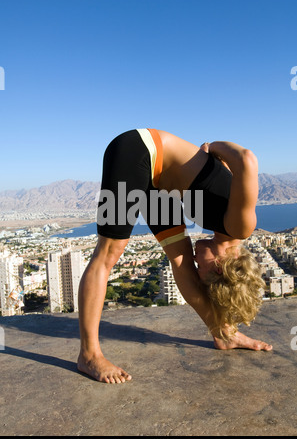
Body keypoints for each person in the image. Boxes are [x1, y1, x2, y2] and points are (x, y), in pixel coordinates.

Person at [77, 128, 272, 384]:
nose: (195, 260)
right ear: (219, 267)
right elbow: (247, 159)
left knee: (179, 262)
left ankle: (223, 334)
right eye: (200, 268)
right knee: (109, 252)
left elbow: (185, 261)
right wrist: (212, 148)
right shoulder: (240, 226)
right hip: (138, 152)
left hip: (160, 186)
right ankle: (88, 354)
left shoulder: (221, 231)